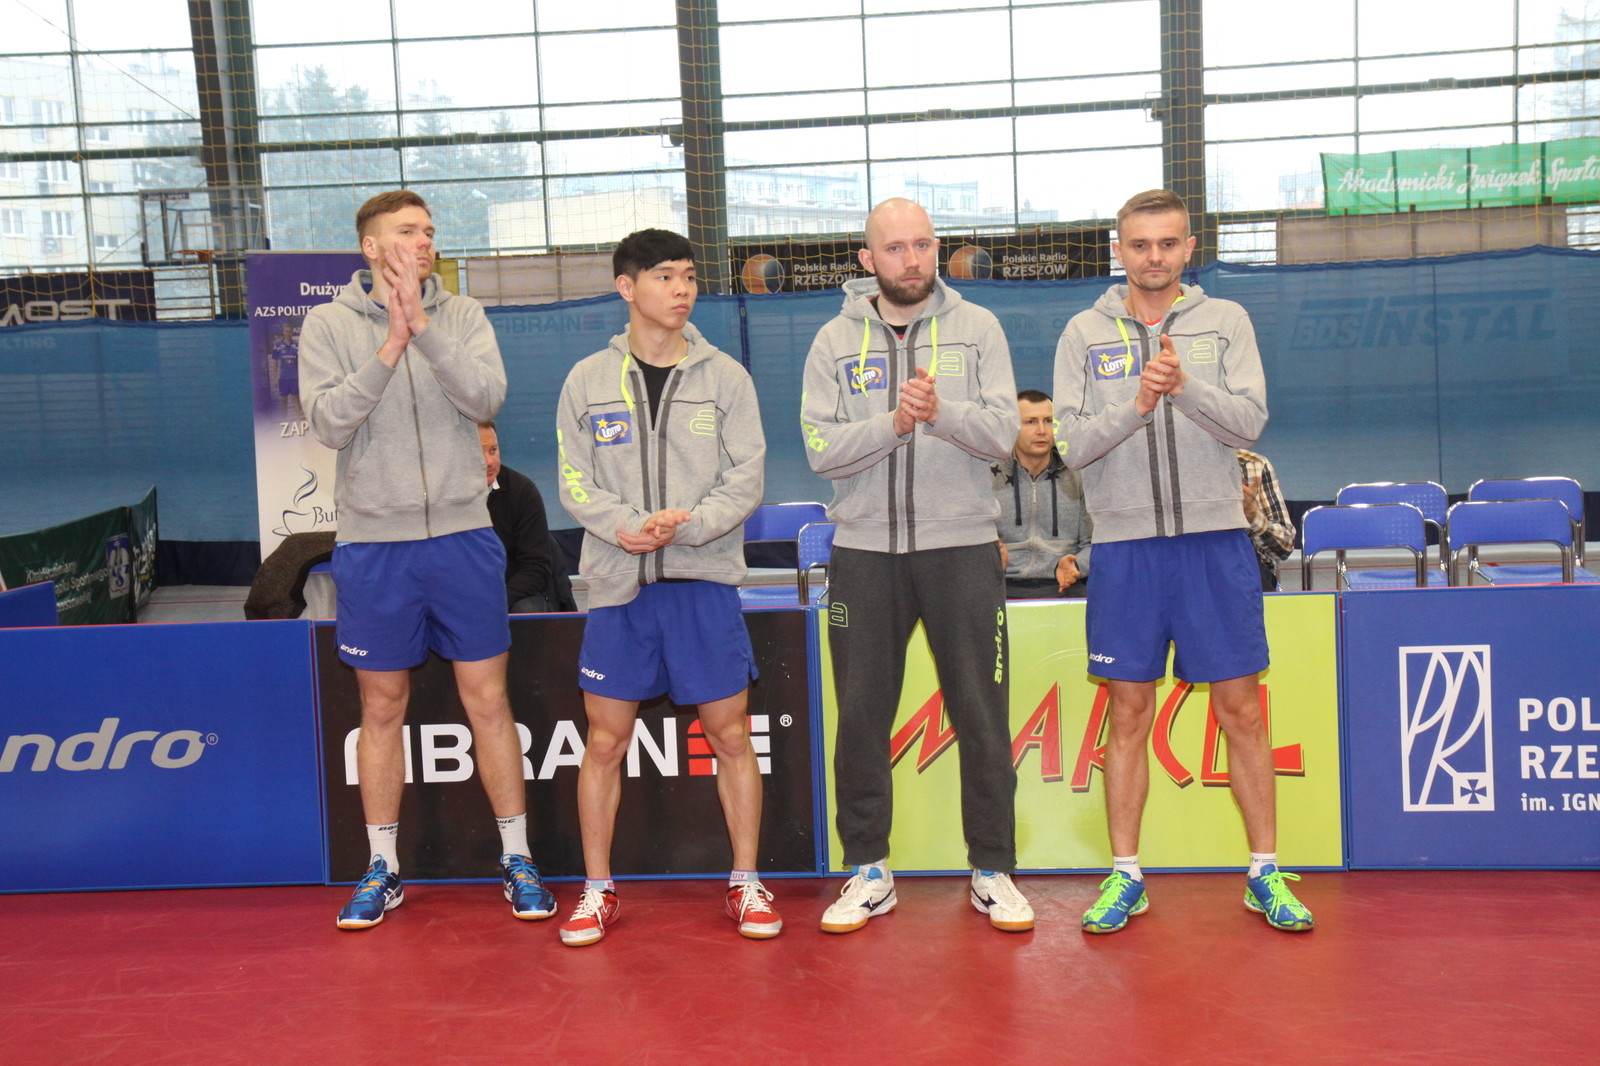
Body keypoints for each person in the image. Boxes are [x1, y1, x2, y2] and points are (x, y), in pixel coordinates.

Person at [1054, 188, 1313, 934]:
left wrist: (1186, 388)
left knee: (1242, 710)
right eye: (1140, 245)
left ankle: (1265, 872)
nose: (1154, 257)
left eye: (1168, 243)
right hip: (1126, 549)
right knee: (1128, 712)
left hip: (1213, 543)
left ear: (1189, 248)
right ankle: (1125, 874)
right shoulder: (1083, 333)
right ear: (1119, 250)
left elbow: (1250, 420)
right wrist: (1137, 404)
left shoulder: (1225, 321)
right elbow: (1069, 445)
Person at [299, 190, 556, 930]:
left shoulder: (463, 315)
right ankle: (382, 867)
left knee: (488, 701)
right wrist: (389, 343)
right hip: (374, 546)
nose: (424, 242)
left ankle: (517, 858)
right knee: (381, 708)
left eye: (430, 232)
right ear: (371, 247)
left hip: (463, 538)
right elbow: (329, 424)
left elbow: (486, 396)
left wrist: (424, 329)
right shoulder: (328, 325)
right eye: (408, 231)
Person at [800, 197, 1033, 934]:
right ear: (867, 259)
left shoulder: (979, 328)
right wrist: (894, 423)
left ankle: (992, 868)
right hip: (865, 552)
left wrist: (939, 415)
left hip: (961, 547)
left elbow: (1003, 434)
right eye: (895, 248)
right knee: (861, 719)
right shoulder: (833, 342)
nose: (912, 260)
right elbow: (819, 450)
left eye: (923, 245)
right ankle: (869, 869)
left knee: (982, 715)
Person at [554, 228, 776, 946]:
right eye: (665, 277)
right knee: (604, 741)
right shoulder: (587, 380)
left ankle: (745, 882)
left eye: (688, 276)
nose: (682, 289)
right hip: (619, 585)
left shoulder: (726, 378)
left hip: (702, 581)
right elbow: (574, 478)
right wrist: (626, 526)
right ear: (627, 287)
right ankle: (597, 890)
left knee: (731, 735)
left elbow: (746, 475)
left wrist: (690, 525)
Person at [993, 388, 1092, 599]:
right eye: (1030, 422)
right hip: (1000, 584)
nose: (1042, 430)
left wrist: (1076, 565)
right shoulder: (989, 476)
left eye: (1048, 421)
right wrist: (988, 559)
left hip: (1064, 584)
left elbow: (1094, 543)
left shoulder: (1079, 474)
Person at [478, 421, 559, 613]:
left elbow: (536, 567)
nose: (489, 461)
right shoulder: (441, 496)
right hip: (461, 593)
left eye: (493, 450)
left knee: (528, 609)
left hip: (512, 593)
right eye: (480, 452)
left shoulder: (522, 491)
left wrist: (496, 602)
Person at [1237, 448, 1294, 591]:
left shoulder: (1252, 465)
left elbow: (1284, 547)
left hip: (1247, 577)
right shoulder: (1179, 468)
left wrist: (1253, 518)